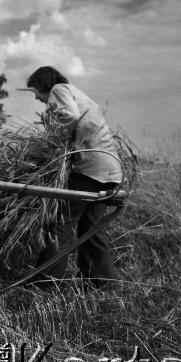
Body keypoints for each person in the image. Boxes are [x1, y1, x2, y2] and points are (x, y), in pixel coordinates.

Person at [25, 66, 122, 286]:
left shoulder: (58, 90)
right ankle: (102, 281)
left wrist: (52, 142)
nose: (37, 98)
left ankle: (44, 282)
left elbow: (70, 116)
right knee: (91, 227)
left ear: (44, 85)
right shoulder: (75, 91)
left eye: (36, 92)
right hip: (110, 168)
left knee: (61, 224)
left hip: (90, 168)